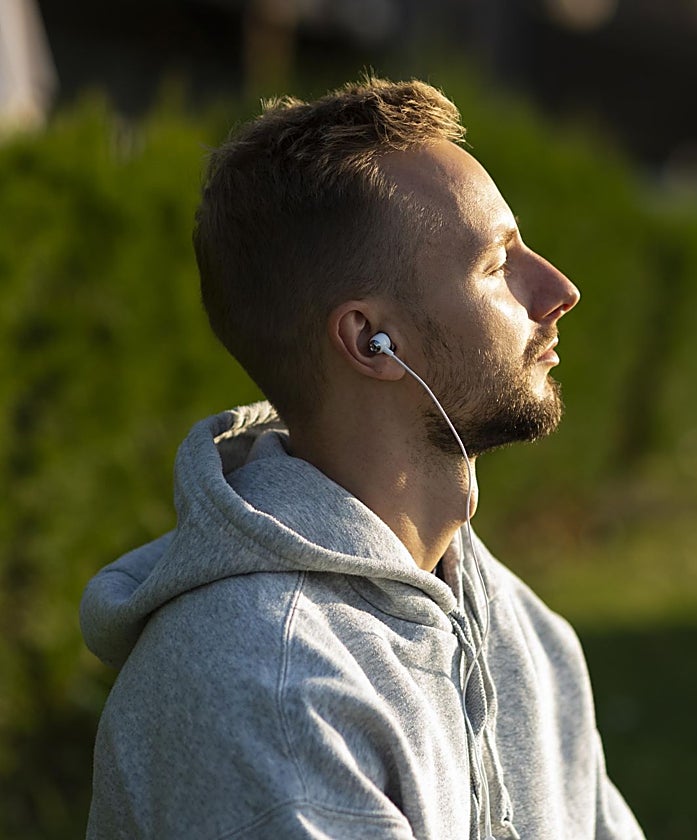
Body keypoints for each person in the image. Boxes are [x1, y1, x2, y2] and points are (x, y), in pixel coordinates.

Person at [80, 76, 645, 840]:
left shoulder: (524, 633)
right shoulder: (273, 688)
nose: (559, 289)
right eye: (495, 264)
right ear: (371, 342)